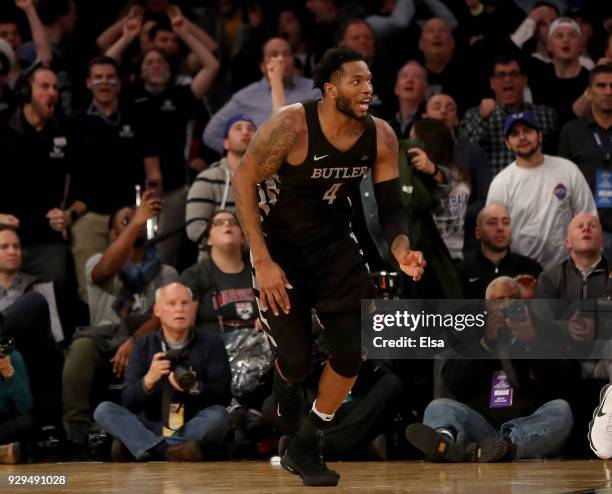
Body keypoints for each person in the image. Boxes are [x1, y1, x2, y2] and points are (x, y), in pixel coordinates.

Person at [232, 46, 425, 486]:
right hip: (278, 248)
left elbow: (394, 209)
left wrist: (401, 249)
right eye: (356, 81)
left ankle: (305, 445)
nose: (367, 89)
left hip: (334, 244)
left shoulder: (381, 135)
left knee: (353, 348)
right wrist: (261, 261)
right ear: (328, 87)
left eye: (370, 81)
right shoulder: (291, 126)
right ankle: (286, 378)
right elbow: (242, 180)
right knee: (299, 362)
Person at [406, 276, 578, 463]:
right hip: (480, 426)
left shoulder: (543, 329)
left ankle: (505, 447)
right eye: (498, 300)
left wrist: (531, 341)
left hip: (527, 425)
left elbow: (569, 376)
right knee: (438, 406)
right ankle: (445, 443)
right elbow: (453, 382)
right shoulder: (471, 334)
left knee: (561, 410)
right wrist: (487, 343)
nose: (506, 305)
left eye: (513, 298)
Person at [62, 194, 178, 453]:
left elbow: (162, 316)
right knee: (80, 348)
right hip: (104, 335)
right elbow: (104, 272)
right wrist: (137, 220)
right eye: (125, 222)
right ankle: (76, 435)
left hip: (145, 338)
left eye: (138, 220)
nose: (134, 224)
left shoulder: (166, 272)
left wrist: (134, 340)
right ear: (113, 234)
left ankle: (154, 431)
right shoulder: (97, 262)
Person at [93, 282, 232, 462]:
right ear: (157, 311)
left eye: (185, 303)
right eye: (172, 304)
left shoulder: (211, 343)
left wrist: (195, 386)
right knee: (103, 410)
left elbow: (224, 395)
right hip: (152, 424)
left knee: (219, 416)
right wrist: (148, 381)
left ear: (192, 309)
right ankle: (171, 451)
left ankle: (142, 446)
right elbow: (128, 401)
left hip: (192, 423)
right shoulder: (143, 345)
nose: (179, 309)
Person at [68, 55, 151, 302]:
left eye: (110, 78)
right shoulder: (76, 121)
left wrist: (144, 213)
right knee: (89, 285)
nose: (104, 83)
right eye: (98, 78)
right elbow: (67, 173)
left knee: (134, 283)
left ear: (119, 83)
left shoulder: (135, 116)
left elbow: (151, 170)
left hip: (127, 215)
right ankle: (97, 336)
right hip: (88, 216)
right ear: (87, 83)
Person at [486, 111, 596, 270]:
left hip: (568, 269)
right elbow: (492, 234)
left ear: (540, 136)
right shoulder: (501, 182)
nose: (522, 137)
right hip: (520, 271)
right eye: (515, 133)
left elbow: (588, 217)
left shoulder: (568, 170)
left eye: (528, 131)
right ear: (507, 143)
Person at [203, 37, 320, 155]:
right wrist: (242, 159)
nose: (280, 59)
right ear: (263, 66)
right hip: (263, 166)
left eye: (286, 54)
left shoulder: (314, 89)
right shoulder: (246, 96)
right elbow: (211, 134)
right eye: (273, 55)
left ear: (294, 61)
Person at [458, 54, 558, 177]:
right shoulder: (474, 115)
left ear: (524, 80)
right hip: (495, 190)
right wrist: (482, 118)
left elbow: (556, 156)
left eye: (514, 74)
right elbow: (463, 152)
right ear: (492, 83)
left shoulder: (546, 114)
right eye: (501, 75)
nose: (507, 79)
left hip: (537, 186)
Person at [558, 65, 612, 258]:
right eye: (601, 86)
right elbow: (562, 182)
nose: (608, 91)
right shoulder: (571, 131)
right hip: (587, 231)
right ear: (588, 92)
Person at [186, 115, 256, 256]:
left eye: (251, 129)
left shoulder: (269, 179)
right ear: (226, 143)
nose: (245, 132)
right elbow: (195, 228)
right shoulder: (208, 178)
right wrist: (237, 246)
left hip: (260, 265)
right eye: (238, 128)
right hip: (216, 266)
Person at [459, 204, 542, 299]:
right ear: (478, 233)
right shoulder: (462, 271)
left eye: (506, 223)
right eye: (492, 223)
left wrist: (528, 300)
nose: (500, 228)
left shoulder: (529, 269)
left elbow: (546, 311)